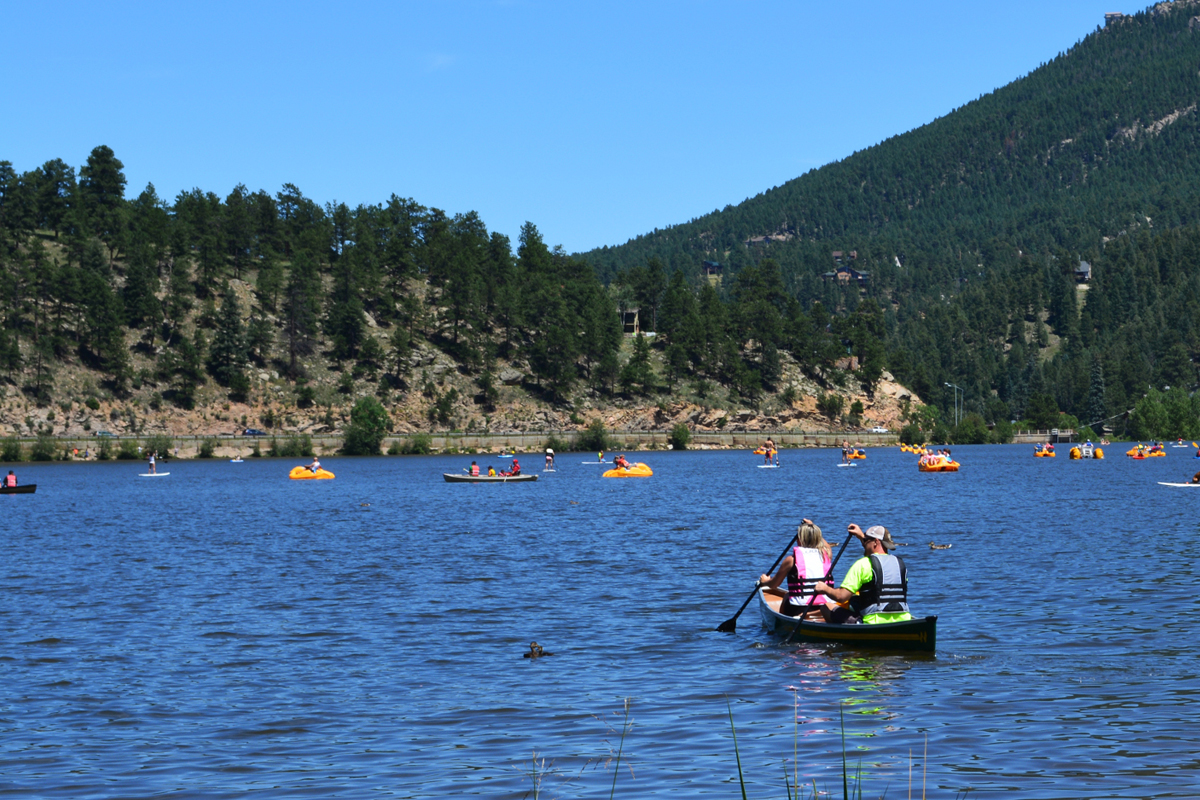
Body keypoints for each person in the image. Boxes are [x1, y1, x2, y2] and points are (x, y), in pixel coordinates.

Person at [815, 524, 912, 625]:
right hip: (903, 619)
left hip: (872, 622)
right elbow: (877, 560)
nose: (864, 544)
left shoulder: (863, 564)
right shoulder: (900, 564)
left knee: (826, 607)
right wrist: (862, 536)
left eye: (866, 541)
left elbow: (841, 596)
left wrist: (824, 588)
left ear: (876, 542)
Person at [759, 519, 832, 618]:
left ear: (799, 540)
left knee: (787, 597)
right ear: (818, 538)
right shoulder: (826, 555)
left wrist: (765, 581)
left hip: (800, 608)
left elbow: (774, 584)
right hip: (823, 607)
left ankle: (782, 623)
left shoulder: (791, 560)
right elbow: (827, 546)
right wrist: (812, 526)